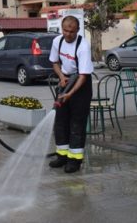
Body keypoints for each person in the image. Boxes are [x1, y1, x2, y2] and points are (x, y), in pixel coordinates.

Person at [48, 15, 93, 174]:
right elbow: (55, 62)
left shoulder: (83, 46)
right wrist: (61, 77)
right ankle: (62, 156)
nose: (68, 34)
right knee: (60, 121)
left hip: (81, 85)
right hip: (66, 81)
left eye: (72, 32)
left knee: (76, 123)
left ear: (78, 30)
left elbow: (83, 76)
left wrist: (70, 94)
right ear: (62, 29)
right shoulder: (57, 41)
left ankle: (75, 160)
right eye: (66, 30)